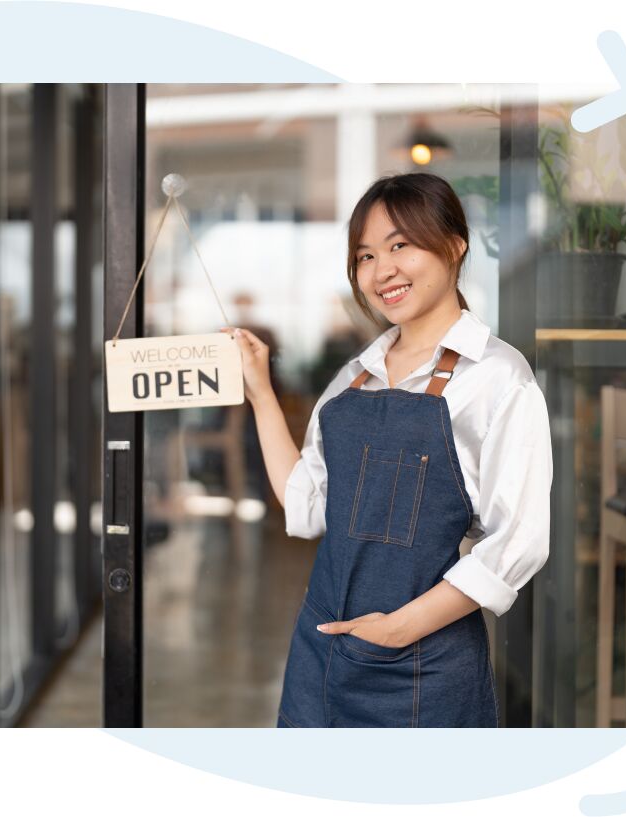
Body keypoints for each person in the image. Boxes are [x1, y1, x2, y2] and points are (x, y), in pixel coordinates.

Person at [221, 172, 553, 727]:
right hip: (320, 655)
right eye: (366, 255)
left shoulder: (497, 377)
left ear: (453, 245)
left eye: (401, 245)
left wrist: (399, 629)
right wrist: (259, 391)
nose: (383, 270)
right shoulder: (355, 377)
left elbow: (519, 541)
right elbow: (304, 502)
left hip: (424, 667)